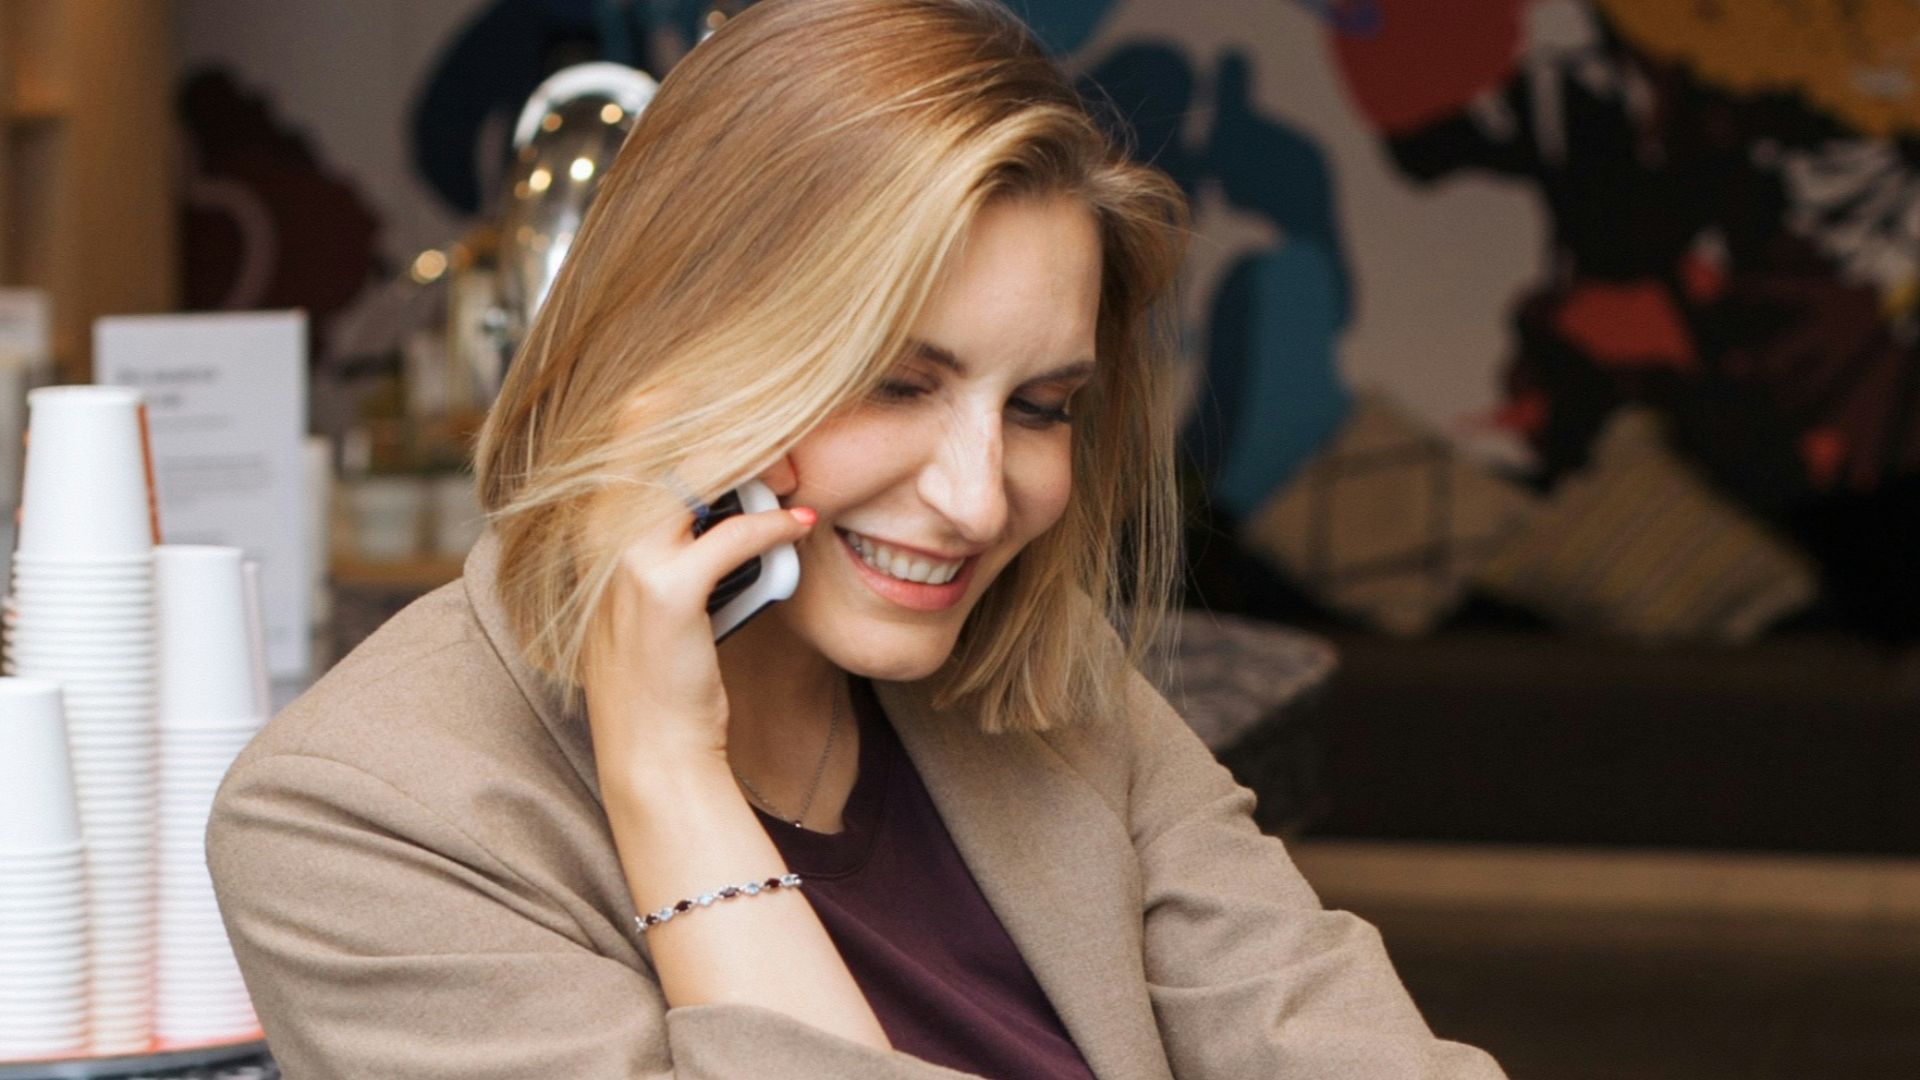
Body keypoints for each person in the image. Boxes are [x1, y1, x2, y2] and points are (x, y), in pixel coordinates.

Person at [207, 0, 1507, 1076]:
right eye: (896, 382)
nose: (978, 498)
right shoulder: (357, 825)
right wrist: (669, 782)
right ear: (665, 366)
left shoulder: (1043, 679)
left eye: (1042, 408)